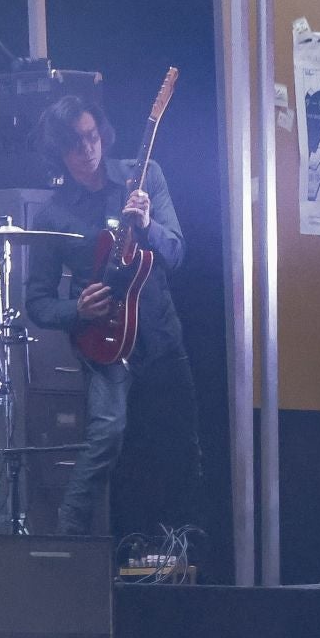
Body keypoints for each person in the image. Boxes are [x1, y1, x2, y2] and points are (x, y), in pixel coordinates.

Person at [25, 93, 201, 540]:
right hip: (101, 342)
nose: (87, 150)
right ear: (58, 154)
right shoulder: (53, 215)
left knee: (179, 447)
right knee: (107, 435)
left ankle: (183, 552)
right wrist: (76, 309)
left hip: (159, 336)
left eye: (91, 137)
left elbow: (177, 252)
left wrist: (147, 226)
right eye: (74, 145)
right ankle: (71, 541)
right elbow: (38, 301)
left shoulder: (142, 178)